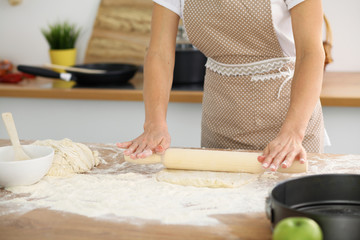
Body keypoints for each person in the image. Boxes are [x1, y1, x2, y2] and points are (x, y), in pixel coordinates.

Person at [117, 0, 329, 171]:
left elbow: (310, 54)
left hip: (287, 121)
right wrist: (154, 124)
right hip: (220, 120)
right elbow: (159, 53)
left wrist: (292, 133)